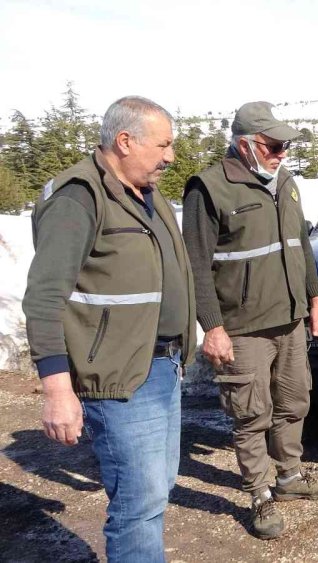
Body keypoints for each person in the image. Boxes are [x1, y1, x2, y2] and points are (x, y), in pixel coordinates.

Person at [23, 96, 196, 562]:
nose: (170, 157)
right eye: (163, 145)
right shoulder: (77, 198)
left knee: (157, 490)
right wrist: (58, 391)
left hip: (162, 366)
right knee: (138, 505)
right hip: (119, 377)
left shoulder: (146, 194)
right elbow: (43, 298)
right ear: (125, 141)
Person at [182, 101, 318, 540]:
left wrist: (314, 301)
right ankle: (259, 493)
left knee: (294, 401)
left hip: (290, 319)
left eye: (285, 145)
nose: (282, 152)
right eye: (274, 145)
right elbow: (196, 264)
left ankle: (288, 476)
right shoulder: (208, 189)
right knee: (251, 413)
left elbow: (302, 247)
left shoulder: (284, 182)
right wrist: (212, 326)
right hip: (241, 326)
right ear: (245, 144)